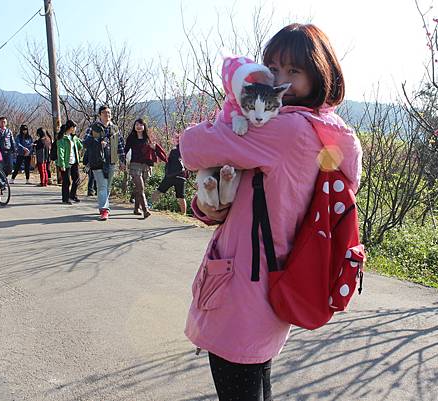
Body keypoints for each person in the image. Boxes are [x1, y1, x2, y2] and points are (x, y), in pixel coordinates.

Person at [179, 24, 362, 400]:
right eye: (273, 68)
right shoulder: (328, 130)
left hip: (242, 291)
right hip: (270, 283)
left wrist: (225, 118)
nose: (280, 80)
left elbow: (191, 146)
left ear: (320, 75)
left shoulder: (287, 128)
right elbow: (260, 199)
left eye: (294, 71)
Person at [83, 106, 126, 221]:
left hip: (111, 160)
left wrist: (122, 161)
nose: (107, 114)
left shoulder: (115, 128)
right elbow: (85, 143)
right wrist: (98, 142)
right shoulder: (93, 127)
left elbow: (120, 145)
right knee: (102, 185)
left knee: (107, 186)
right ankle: (104, 210)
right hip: (97, 160)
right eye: (104, 113)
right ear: (99, 115)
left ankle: (103, 206)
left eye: (109, 112)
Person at [124, 118, 155, 219]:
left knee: (140, 188)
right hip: (134, 165)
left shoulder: (147, 138)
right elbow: (125, 150)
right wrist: (122, 162)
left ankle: (136, 208)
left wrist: (150, 166)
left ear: (144, 126)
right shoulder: (131, 137)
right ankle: (145, 210)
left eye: (140, 125)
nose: (138, 126)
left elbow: (150, 154)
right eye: (136, 124)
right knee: (140, 188)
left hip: (145, 166)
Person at [151, 134, 187, 214]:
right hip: (181, 176)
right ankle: (183, 213)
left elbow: (167, 160)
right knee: (181, 196)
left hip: (170, 175)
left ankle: (149, 205)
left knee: (159, 190)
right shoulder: (187, 151)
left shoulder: (174, 150)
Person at [56, 120, 83, 204]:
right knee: (67, 181)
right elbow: (60, 152)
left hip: (74, 162)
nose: (75, 129)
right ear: (71, 128)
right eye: (75, 127)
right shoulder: (62, 138)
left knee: (77, 179)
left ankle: (73, 195)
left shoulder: (73, 137)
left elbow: (80, 146)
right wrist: (62, 164)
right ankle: (65, 198)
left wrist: (76, 139)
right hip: (66, 162)